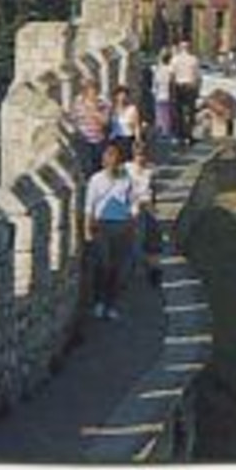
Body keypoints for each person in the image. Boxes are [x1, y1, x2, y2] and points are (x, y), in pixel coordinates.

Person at [84, 143, 136, 320]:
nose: (112, 163)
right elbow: (89, 205)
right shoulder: (96, 180)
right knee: (103, 265)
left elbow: (131, 201)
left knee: (116, 268)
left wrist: (132, 219)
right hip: (102, 226)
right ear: (104, 162)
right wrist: (87, 228)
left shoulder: (126, 179)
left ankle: (111, 304)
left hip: (121, 225)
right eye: (109, 159)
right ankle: (99, 302)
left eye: (115, 159)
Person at [127, 141, 162, 287]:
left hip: (147, 205)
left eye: (143, 155)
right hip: (132, 207)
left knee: (153, 239)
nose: (141, 158)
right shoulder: (126, 169)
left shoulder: (151, 170)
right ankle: (134, 270)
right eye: (138, 155)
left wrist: (153, 206)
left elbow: (154, 189)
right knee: (134, 240)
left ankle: (154, 272)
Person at [68, 79, 111, 176]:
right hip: (84, 140)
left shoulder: (103, 103)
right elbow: (72, 118)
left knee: (100, 167)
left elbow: (105, 122)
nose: (93, 94)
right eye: (90, 91)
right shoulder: (78, 103)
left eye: (95, 91)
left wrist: (94, 110)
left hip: (99, 140)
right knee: (87, 167)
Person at [170, 40, 201, 148]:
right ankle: (189, 135)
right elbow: (197, 77)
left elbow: (172, 75)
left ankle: (180, 135)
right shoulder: (194, 60)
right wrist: (197, 90)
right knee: (190, 112)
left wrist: (172, 90)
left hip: (179, 86)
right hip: (190, 86)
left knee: (179, 112)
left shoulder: (175, 59)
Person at [110, 85, 141, 163]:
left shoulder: (132, 109)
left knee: (128, 161)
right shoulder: (112, 109)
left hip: (128, 138)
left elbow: (136, 126)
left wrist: (138, 140)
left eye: (124, 96)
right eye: (119, 96)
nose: (122, 98)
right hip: (115, 139)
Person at [152, 50, 175, 143]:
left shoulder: (158, 69)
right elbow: (172, 84)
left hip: (159, 95)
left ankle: (160, 131)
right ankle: (166, 132)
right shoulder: (170, 70)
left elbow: (155, 84)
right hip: (168, 95)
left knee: (160, 114)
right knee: (167, 115)